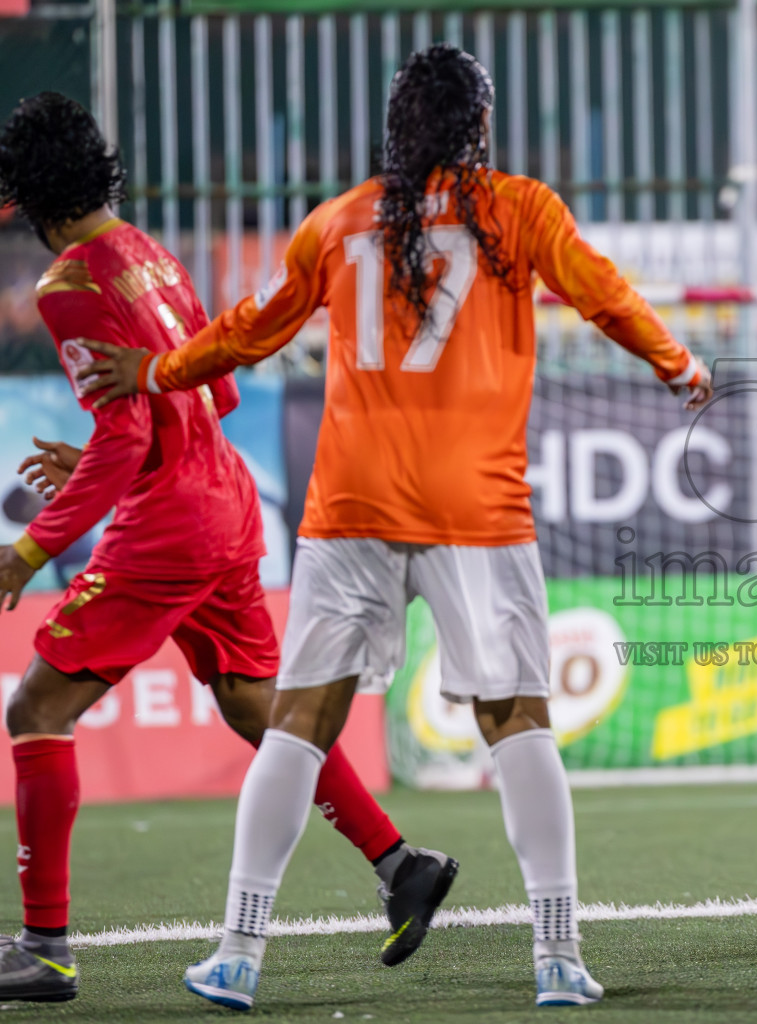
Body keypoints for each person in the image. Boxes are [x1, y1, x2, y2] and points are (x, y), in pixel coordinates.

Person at [81, 45, 712, 1009]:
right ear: (481, 126)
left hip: (351, 510)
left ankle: (239, 955)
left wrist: (159, 372)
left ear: (395, 127)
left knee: (298, 728)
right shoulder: (519, 209)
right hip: (476, 510)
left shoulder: (338, 222)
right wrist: (678, 366)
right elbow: (605, 296)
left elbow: (252, 327)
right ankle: (556, 956)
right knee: (514, 723)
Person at [0, 92, 450, 1005]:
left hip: (167, 526)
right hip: (231, 506)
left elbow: (130, 440)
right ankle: (401, 865)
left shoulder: (71, 284)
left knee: (36, 710)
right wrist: (100, 449)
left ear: (28, 196)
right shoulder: (155, 258)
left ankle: (45, 947)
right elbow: (214, 397)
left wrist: (26, 550)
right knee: (256, 709)